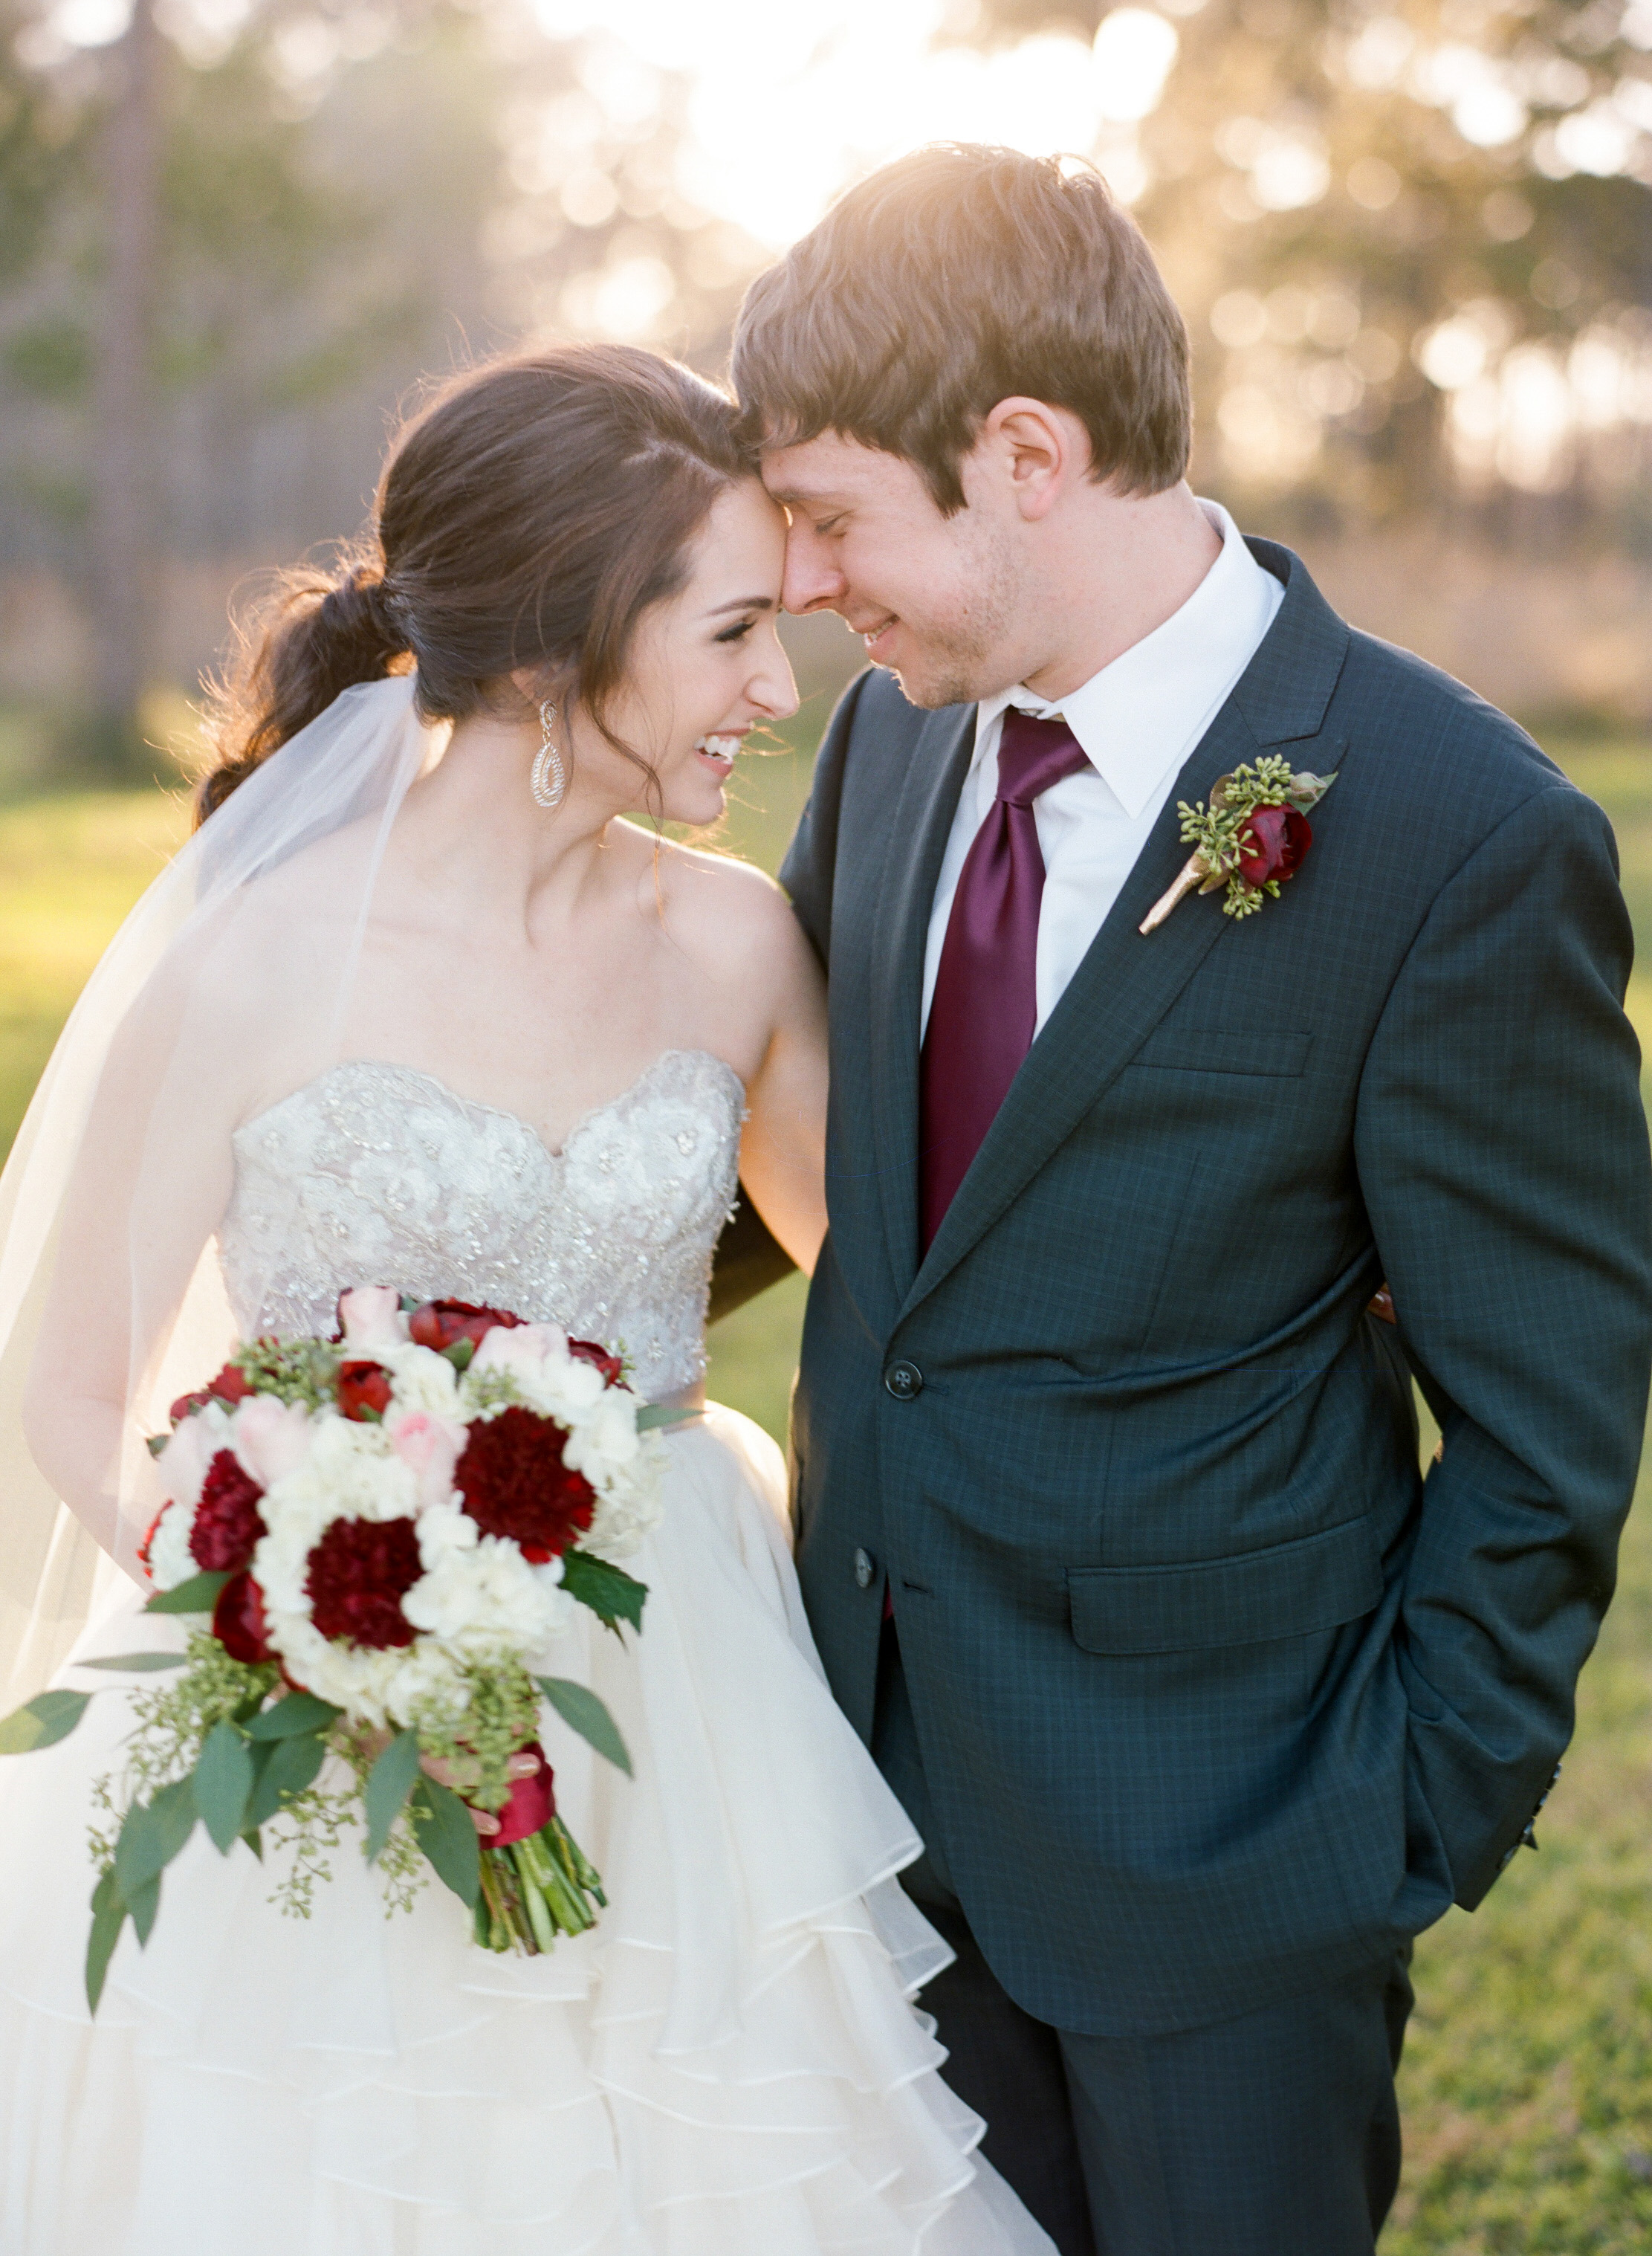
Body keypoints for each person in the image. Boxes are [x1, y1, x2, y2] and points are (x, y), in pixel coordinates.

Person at [0, 344, 1056, 2255]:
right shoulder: (252, 962)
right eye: (731, 627)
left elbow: (905, 1288)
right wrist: (319, 1645)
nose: (774, 681)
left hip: (690, 1709)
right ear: (570, 635)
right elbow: (67, 1384)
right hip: (316, 1707)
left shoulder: (732, 940)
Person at [728, 143, 1652, 2255]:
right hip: (866, 1800)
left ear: (1026, 454)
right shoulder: (889, 754)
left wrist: (1405, 1804)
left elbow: (1549, 1410)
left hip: (1232, 1859)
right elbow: (807, 1179)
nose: (802, 580)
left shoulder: (1455, 834)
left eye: (832, 512)